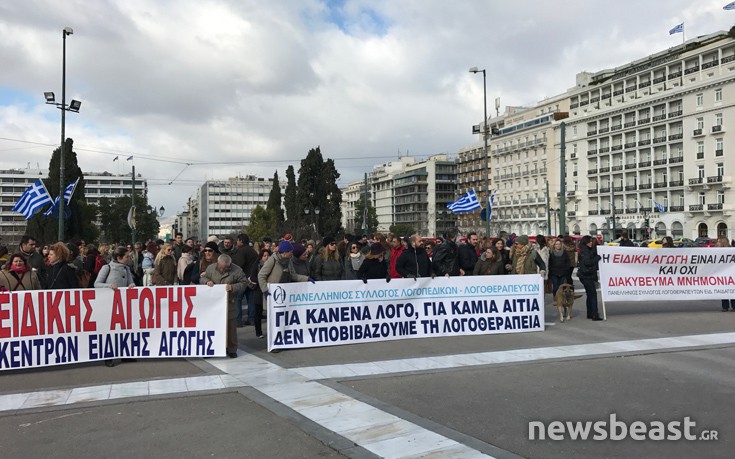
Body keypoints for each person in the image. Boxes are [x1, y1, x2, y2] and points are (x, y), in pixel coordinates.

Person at [201, 254, 248, 358]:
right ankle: (212, 348)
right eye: (222, 267)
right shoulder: (211, 268)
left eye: (226, 267)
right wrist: (206, 281)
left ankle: (232, 349)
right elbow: (203, 278)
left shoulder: (237, 270)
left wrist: (233, 287)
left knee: (231, 327)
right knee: (213, 326)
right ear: (218, 263)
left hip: (230, 302)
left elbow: (244, 283)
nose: (224, 269)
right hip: (214, 303)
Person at [577, 235, 603, 321]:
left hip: (585, 275)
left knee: (590, 294)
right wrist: (597, 258)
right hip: (586, 275)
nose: (591, 243)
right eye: (589, 241)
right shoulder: (585, 251)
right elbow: (588, 262)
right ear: (586, 242)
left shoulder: (585, 250)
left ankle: (590, 313)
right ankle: (594, 314)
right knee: (592, 294)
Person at [249, 249, 270, 338]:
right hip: (258, 291)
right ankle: (258, 332)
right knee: (258, 312)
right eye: (264, 256)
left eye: (268, 255)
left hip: (269, 290)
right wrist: (262, 281)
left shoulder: (271, 265)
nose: (266, 257)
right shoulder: (257, 265)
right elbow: (252, 277)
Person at [715, 237, 735, 311]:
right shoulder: (716, 251)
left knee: (732, 290)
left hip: (732, 274)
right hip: (722, 274)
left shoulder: (732, 250)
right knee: (723, 290)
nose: (717, 243)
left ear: (723, 242)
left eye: (719, 241)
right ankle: (725, 306)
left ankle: (734, 306)